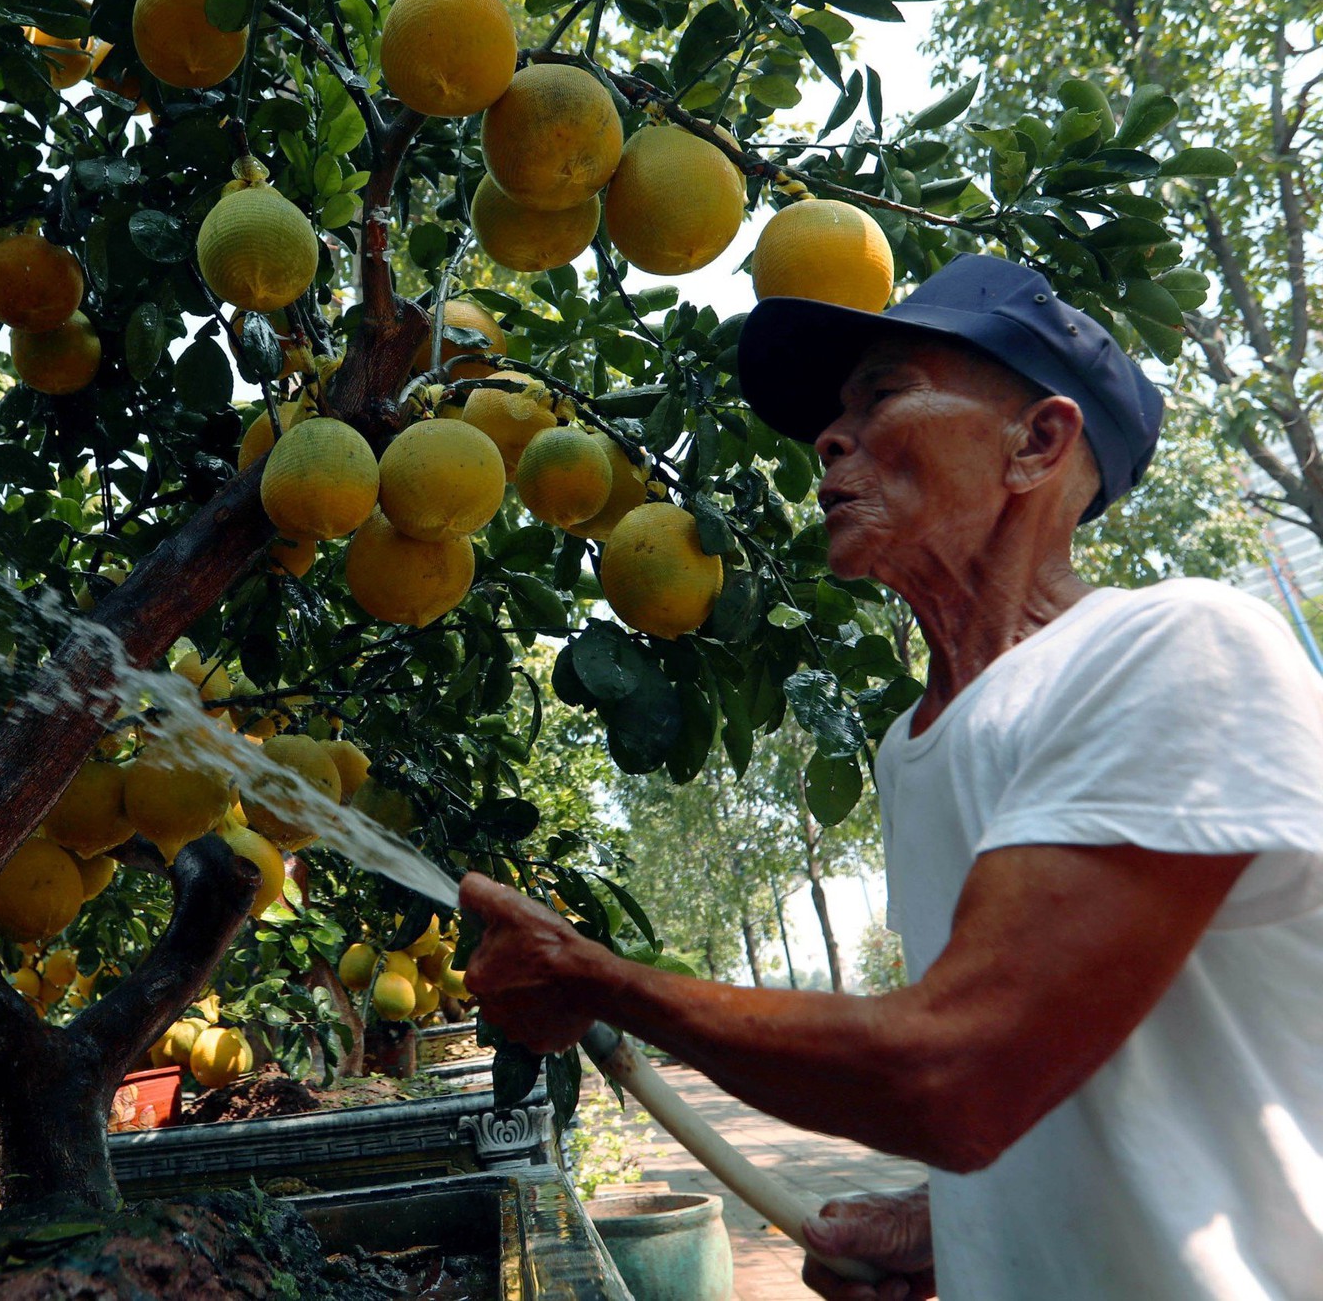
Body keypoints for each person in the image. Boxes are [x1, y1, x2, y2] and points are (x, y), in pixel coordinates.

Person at [460, 254, 1323, 1301]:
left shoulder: (1176, 645)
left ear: (1036, 442)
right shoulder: (911, 746)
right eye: (834, 412)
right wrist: (950, 1224)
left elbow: (959, 1073)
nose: (827, 438)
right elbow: (1072, 1073)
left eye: (881, 395)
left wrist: (602, 981)